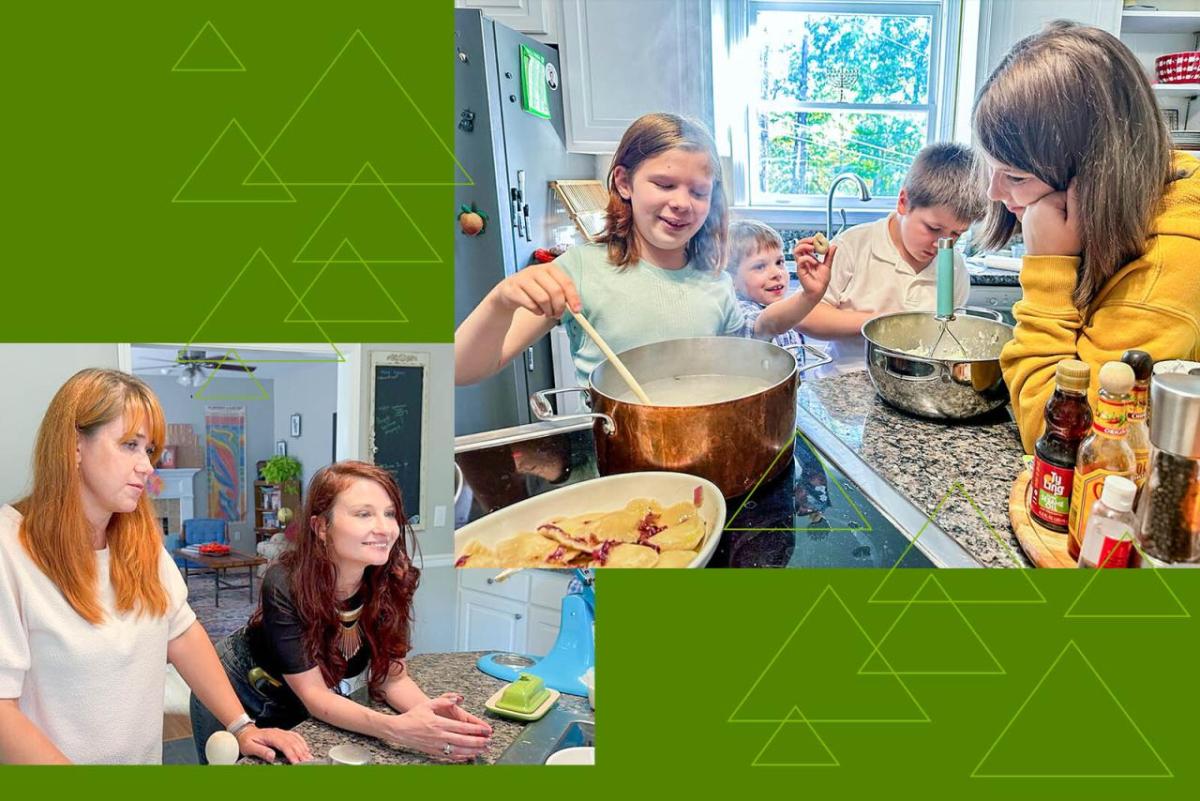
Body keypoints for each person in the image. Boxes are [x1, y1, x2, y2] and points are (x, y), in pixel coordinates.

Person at [0, 369, 308, 764]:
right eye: (129, 445)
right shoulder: (11, 548)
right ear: (74, 445)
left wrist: (241, 726)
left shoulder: (139, 541)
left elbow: (180, 632)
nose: (147, 466)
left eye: (148, 451)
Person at [974, 21, 1200, 452]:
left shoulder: (1160, 279)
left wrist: (1048, 270)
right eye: (992, 169)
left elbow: (1059, 435)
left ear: (1095, 177)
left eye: (1016, 176)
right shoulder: (1151, 186)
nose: (994, 193)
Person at [190, 461, 493, 763]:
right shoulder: (285, 583)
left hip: (296, 698)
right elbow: (316, 696)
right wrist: (397, 730)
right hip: (236, 688)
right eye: (364, 514)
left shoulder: (392, 579)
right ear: (321, 527)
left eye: (389, 514)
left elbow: (393, 679)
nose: (385, 528)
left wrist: (432, 720)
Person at [457, 112, 769, 388]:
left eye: (699, 191)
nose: (682, 203)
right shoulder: (578, 270)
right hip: (613, 447)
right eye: (664, 184)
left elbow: (734, 379)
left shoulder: (716, 281)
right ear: (624, 182)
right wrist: (499, 301)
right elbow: (461, 371)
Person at [796, 142, 987, 371]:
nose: (942, 244)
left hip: (919, 383)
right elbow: (805, 317)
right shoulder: (854, 246)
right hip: (846, 381)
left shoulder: (954, 266)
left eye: (956, 234)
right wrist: (886, 322)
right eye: (933, 228)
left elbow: (952, 335)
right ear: (903, 202)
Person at [725, 219, 831, 349]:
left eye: (779, 262)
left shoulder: (780, 307)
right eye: (760, 267)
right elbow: (766, 324)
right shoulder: (736, 312)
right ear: (731, 279)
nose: (777, 273)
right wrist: (809, 296)